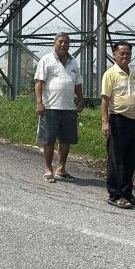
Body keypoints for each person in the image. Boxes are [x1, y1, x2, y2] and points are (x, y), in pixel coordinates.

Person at [34, 33, 84, 183]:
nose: (63, 45)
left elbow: (78, 84)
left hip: (69, 108)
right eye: (60, 42)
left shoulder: (73, 62)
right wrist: (39, 102)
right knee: (48, 139)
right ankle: (48, 169)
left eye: (66, 42)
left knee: (66, 140)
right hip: (50, 107)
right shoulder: (46, 60)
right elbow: (38, 83)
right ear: (54, 43)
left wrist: (81, 99)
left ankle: (61, 169)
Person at [101, 41, 135, 209]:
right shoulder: (110, 73)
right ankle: (115, 194)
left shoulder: (133, 74)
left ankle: (127, 192)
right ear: (115, 55)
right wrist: (105, 122)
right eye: (122, 53)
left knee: (129, 159)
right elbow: (105, 99)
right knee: (115, 158)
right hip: (117, 120)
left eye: (128, 53)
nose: (125, 56)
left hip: (131, 121)